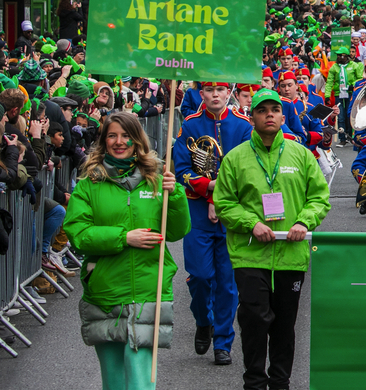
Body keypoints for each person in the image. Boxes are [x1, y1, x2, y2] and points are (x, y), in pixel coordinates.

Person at [213, 89, 331, 390]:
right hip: (250, 253)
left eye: (274, 109)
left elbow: (319, 198)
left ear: (282, 115)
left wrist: (304, 221)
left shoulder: (300, 154)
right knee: (254, 319)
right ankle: (254, 381)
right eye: (262, 109)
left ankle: (280, 382)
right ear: (251, 116)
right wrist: (251, 223)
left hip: (291, 252)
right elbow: (224, 203)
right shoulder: (236, 157)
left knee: (284, 324)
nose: (269, 114)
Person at [63, 112, 190, 390]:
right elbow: (79, 234)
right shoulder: (88, 185)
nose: (119, 142)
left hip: (148, 289)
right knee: (115, 382)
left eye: (126, 136)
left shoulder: (156, 180)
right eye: (112, 135)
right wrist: (124, 238)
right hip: (106, 292)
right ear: (103, 141)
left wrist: (176, 194)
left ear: (137, 140)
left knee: (141, 382)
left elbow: (176, 232)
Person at [174, 81, 254, 365]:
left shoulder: (243, 126)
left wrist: (221, 200)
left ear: (228, 93)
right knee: (199, 276)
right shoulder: (191, 125)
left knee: (228, 283)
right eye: (209, 90)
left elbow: (248, 170)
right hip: (197, 210)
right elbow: (182, 169)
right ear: (202, 94)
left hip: (231, 212)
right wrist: (209, 189)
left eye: (220, 90)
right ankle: (203, 320)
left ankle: (223, 341)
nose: (215, 95)